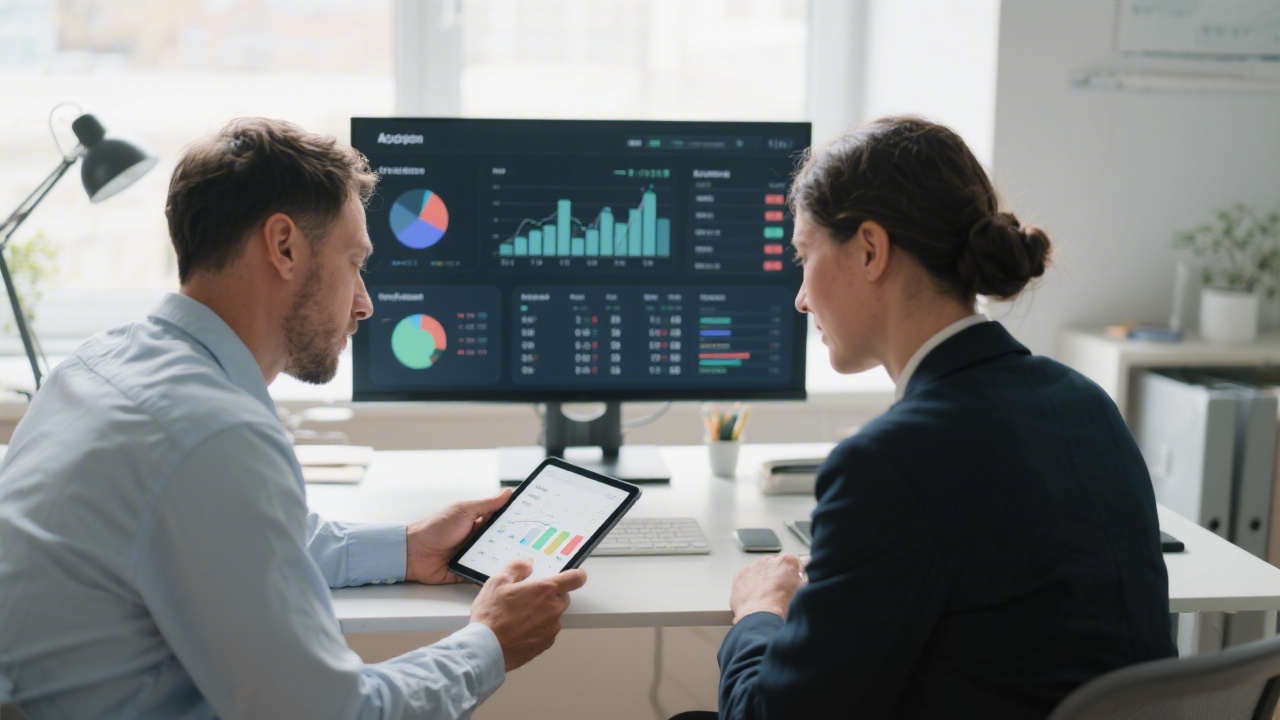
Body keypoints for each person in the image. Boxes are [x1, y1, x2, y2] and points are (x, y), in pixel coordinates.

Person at [0, 117, 586, 719]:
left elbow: (229, 539)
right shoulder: (213, 434)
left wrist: (405, 549)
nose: (365, 303)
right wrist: (488, 643)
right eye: (355, 261)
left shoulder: (94, 366)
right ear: (283, 246)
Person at [714, 116, 1176, 719]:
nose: (800, 297)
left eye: (804, 257)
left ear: (871, 250)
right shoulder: (1085, 404)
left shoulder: (887, 462)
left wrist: (757, 614)